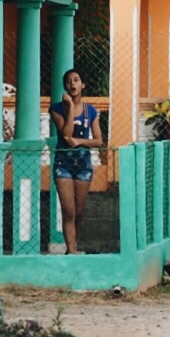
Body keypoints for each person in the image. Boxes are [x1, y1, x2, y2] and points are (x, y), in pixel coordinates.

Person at [51, 68, 103, 254]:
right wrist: (71, 109)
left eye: (76, 80)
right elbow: (65, 134)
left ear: (83, 84)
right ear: (65, 86)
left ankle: (73, 247)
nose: (72, 84)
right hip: (63, 165)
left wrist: (80, 141)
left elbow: (98, 140)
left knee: (79, 213)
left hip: (83, 165)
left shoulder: (91, 111)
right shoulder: (57, 108)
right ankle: (71, 251)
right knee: (69, 211)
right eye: (68, 81)